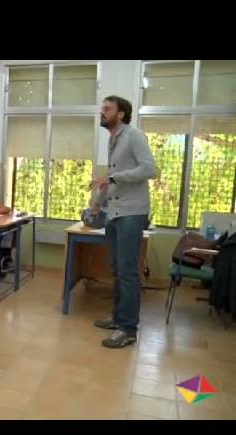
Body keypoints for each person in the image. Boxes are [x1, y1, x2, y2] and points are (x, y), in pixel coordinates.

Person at [90, 95, 156, 349]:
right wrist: (98, 201)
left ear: (121, 113)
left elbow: (149, 169)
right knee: (117, 269)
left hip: (132, 212)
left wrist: (114, 178)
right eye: (102, 108)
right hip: (116, 213)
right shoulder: (113, 139)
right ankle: (118, 318)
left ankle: (127, 329)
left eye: (107, 109)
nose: (102, 112)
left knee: (128, 272)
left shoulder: (133, 135)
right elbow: (112, 178)